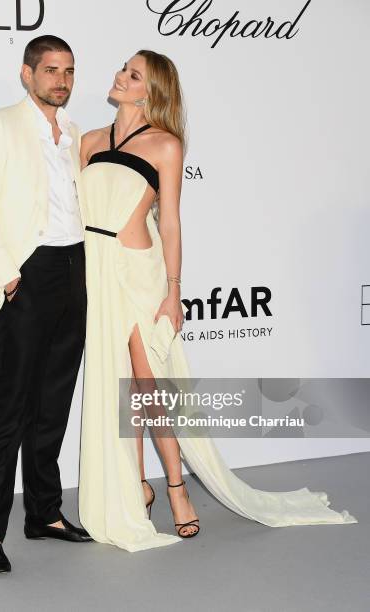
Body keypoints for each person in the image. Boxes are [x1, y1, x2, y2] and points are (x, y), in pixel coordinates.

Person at [78, 50, 358, 552]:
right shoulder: (89, 143)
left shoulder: (165, 145)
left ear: (152, 91)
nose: (120, 76)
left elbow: (169, 222)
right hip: (96, 272)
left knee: (148, 387)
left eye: (133, 74)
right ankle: (135, 485)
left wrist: (174, 290)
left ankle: (177, 488)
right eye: (123, 68)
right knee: (112, 383)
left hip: (138, 272)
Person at [0, 35, 92, 574]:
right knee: (10, 408)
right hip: (29, 273)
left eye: (67, 71)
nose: (60, 80)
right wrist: (9, 277)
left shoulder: (77, 134)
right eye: (50, 70)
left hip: (75, 268)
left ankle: (44, 512)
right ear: (27, 74)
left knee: (54, 403)